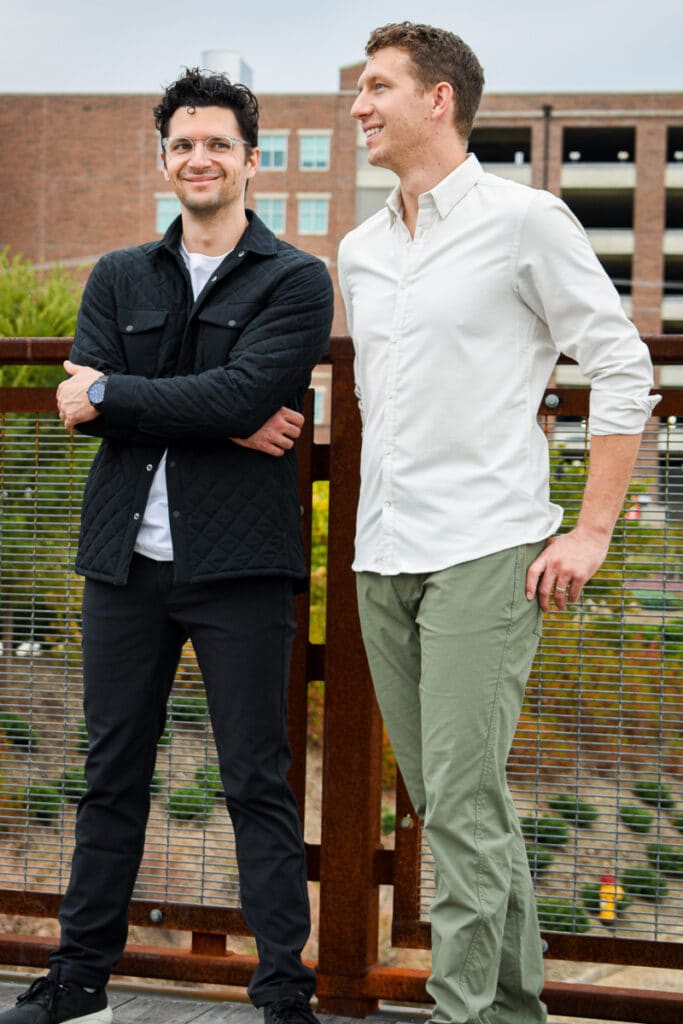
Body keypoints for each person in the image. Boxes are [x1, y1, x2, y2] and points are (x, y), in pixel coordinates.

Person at [338, 22, 657, 1024]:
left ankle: (460, 1013)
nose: (357, 106)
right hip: (380, 552)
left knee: (462, 801)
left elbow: (619, 367)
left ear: (437, 100)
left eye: (377, 87)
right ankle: (512, 1012)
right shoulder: (358, 246)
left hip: (485, 547)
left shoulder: (525, 221)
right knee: (447, 803)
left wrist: (591, 531)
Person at [3, 68, 333, 1024]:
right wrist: (216, 410)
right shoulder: (118, 275)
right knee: (110, 775)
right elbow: (174, 402)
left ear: (251, 161)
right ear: (164, 160)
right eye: (184, 144)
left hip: (239, 567)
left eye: (219, 144)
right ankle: (79, 981)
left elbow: (131, 396)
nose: (200, 158)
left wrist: (118, 394)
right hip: (122, 565)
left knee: (254, 781)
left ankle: (283, 996)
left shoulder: (296, 279)